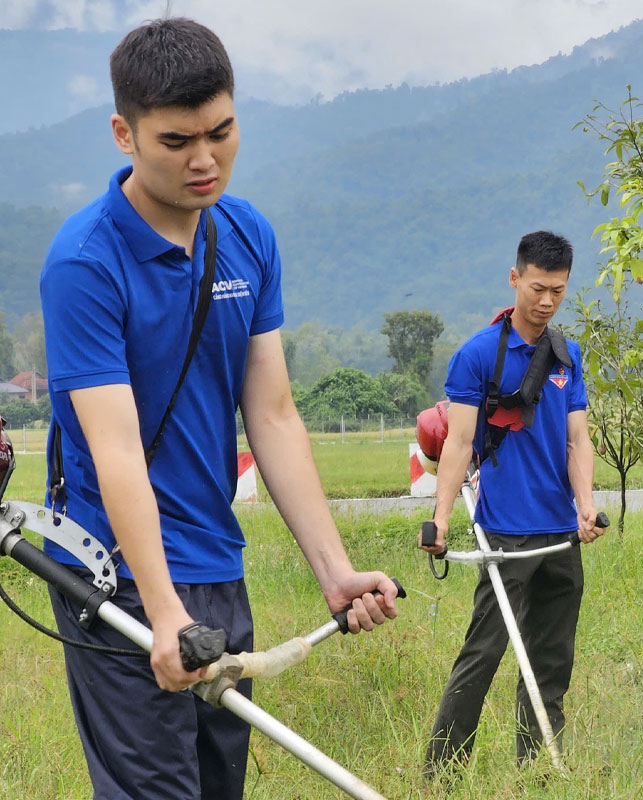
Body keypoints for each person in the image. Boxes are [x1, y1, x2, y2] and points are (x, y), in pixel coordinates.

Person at [39, 17, 398, 800]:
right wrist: (163, 613)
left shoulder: (246, 235)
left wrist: (333, 571)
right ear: (123, 134)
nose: (206, 160)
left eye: (222, 132)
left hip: (217, 567)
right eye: (176, 141)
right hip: (117, 577)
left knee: (213, 786)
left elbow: (271, 415)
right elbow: (116, 449)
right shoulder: (84, 262)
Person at [419, 230, 605, 774]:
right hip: (504, 536)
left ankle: (540, 770)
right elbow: (456, 443)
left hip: (560, 536)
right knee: (482, 656)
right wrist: (441, 520)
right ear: (515, 278)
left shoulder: (566, 355)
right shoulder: (478, 355)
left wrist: (586, 504)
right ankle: (442, 774)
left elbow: (578, 440)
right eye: (538, 288)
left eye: (558, 291)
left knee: (549, 663)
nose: (546, 301)